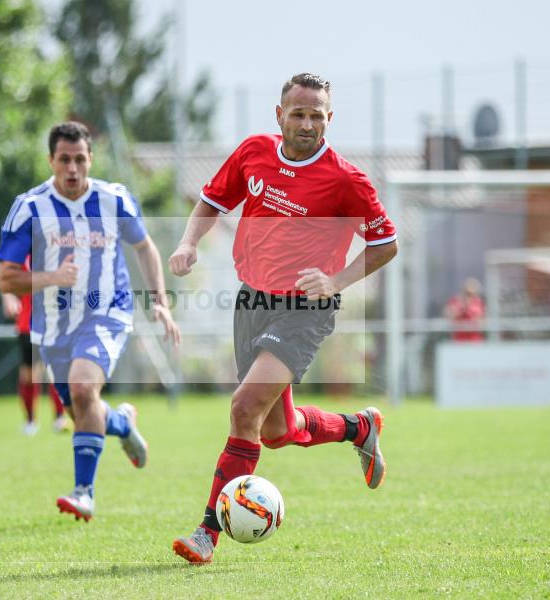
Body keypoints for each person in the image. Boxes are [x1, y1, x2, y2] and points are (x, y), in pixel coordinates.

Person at [168, 73, 398, 564]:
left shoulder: (346, 179)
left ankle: (207, 530)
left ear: (329, 120)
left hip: (304, 311)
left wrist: (335, 283)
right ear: (280, 116)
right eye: (299, 113)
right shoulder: (254, 152)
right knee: (275, 431)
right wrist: (189, 242)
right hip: (253, 302)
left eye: (318, 115)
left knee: (243, 408)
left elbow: (385, 245)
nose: (308, 123)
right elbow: (211, 201)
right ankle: (358, 427)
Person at [0, 121, 180, 522]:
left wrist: (160, 302)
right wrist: (52, 278)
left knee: (82, 387)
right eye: (65, 160)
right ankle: (122, 422)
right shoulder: (29, 207)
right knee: (83, 410)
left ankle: (84, 492)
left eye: (80, 159)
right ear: (51, 161)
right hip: (54, 326)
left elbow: (145, 247)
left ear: (91, 159)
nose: (73, 168)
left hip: (106, 312)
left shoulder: (114, 200)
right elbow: (7, 276)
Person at [1, 259, 69, 435]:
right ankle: (30, 421)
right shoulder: (20, 253)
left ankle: (60, 417)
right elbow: (5, 278)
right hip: (27, 323)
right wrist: (8, 298)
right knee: (29, 375)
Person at [443, 278, 485, 342]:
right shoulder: (455, 301)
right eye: (468, 294)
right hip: (459, 339)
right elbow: (449, 316)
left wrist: (470, 311)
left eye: (472, 294)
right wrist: (462, 308)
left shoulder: (478, 303)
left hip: (474, 339)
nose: (470, 297)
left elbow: (480, 320)